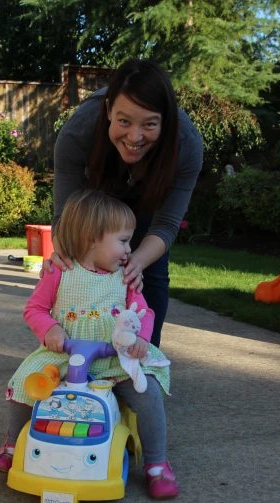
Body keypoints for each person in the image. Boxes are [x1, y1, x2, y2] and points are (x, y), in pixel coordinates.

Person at [0, 189, 179, 499]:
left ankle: (157, 465)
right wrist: (50, 329)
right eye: (123, 240)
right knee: (24, 381)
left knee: (148, 391)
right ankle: (12, 446)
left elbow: (143, 312)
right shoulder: (60, 272)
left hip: (114, 357)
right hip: (66, 356)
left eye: (129, 241)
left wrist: (142, 337)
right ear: (91, 238)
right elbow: (34, 309)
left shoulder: (125, 277)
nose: (129, 249)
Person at [45, 58, 204, 349]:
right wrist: (66, 256)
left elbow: (166, 225)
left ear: (165, 121)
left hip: (147, 200)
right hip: (96, 198)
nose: (134, 136)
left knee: (148, 273)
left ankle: (143, 353)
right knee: (84, 265)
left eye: (150, 124)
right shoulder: (77, 133)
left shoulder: (187, 144)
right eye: (124, 121)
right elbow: (64, 217)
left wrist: (137, 262)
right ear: (108, 110)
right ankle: (82, 348)